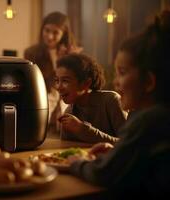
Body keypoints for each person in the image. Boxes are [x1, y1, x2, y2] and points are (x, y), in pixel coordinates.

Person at [69, 10, 170, 197]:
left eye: (122, 72)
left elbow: (103, 174)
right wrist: (118, 152)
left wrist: (76, 162)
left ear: (149, 82)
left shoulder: (149, 120)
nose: (115, 82)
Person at [24, 11, 82, 136]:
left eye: (55, 32)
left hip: (66, 104)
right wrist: (58, 65)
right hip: (43, 103)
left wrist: (70, 59)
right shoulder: (31, 53)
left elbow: (75, 83)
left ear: (64, 33)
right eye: (47, 30)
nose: (50, 36)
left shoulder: (72, 53)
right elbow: (34, 83)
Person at [56, 53, 127, 143]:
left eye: (65, 81)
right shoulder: (69, 112)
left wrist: (84, 130)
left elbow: (128, 144)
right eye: (57, 81)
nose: (58, 87)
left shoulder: (111, 101)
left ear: (86, 83)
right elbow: (65, 150)